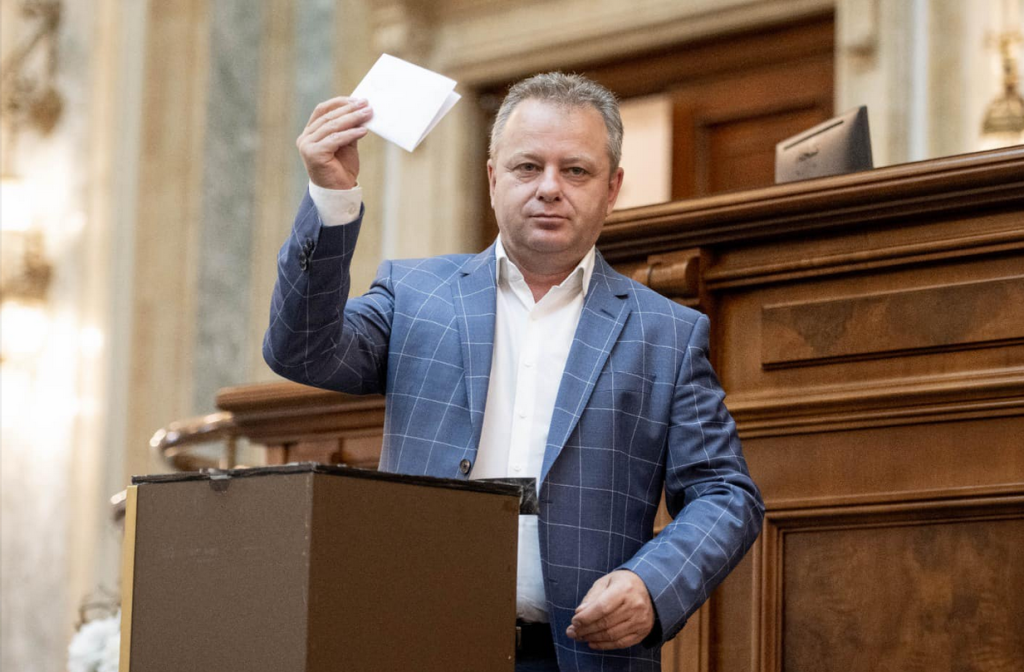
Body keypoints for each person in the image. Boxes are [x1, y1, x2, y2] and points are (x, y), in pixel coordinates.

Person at [264, 72, 764, 672]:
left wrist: (652, 584)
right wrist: (332, 196)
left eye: (575, 170)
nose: (550, 188)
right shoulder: (415, 294)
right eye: (528, 167)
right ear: (493, 177)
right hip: (415, 644)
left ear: (612, 188)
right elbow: (302, 350)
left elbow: (724, 493)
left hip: (581, 655)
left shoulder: (667, 334)